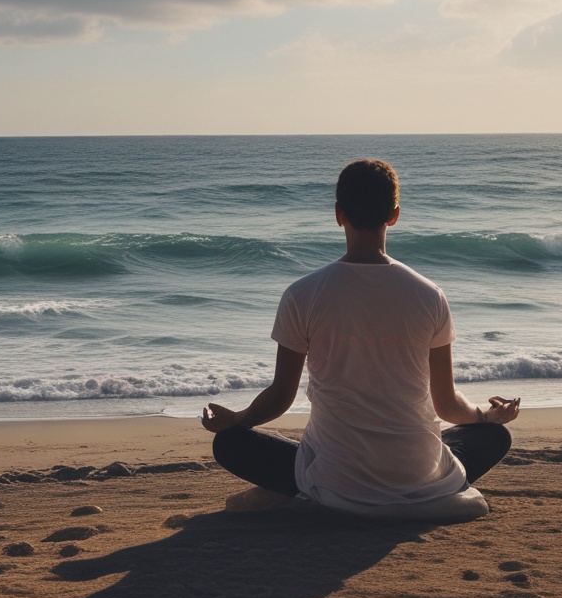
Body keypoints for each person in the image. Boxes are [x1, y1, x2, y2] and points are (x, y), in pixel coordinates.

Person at [201, 158, 519, 520]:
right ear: (395, 215)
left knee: (230, 444)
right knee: (494, 436)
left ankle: (326, 490)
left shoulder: (303, 294)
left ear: (339, 214)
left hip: (338, 483)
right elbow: (446, 405)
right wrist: (485, 414)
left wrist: (238, 419)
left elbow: (280, 397)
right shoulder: (430, 295)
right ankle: (409, 483)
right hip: (419, 477)